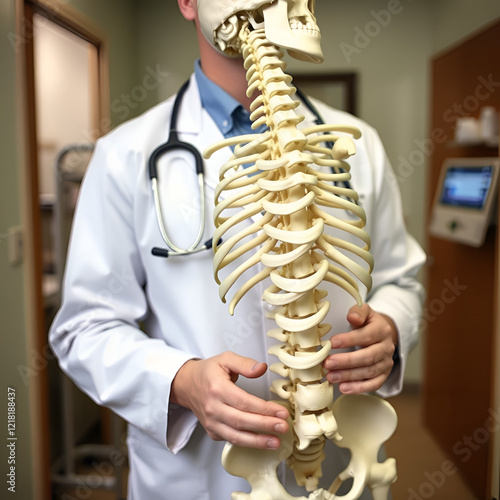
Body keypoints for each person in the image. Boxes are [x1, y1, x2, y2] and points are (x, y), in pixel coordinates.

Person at [49, 1, 426, 498]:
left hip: (341, 461)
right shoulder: (126, 156)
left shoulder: (358, 145)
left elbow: (402, 280)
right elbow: (84, 327)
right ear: (187, 2)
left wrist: (392, 327)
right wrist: (180, 382)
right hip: (197, 475)